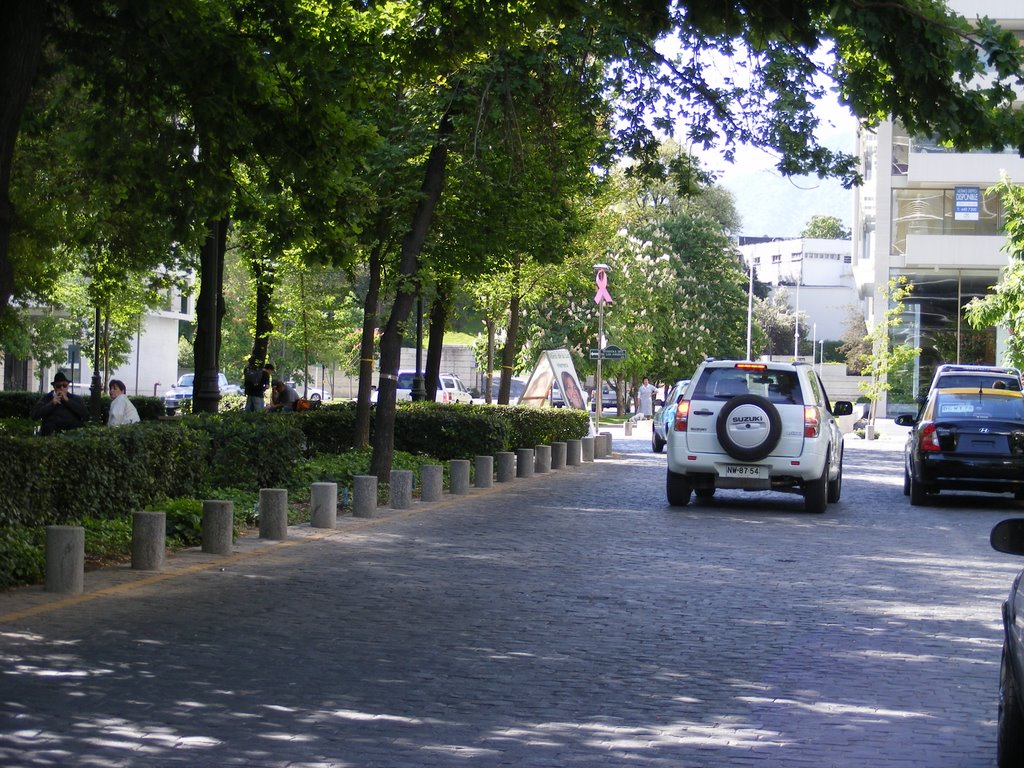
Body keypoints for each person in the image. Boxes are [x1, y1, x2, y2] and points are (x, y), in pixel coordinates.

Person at [31, 371, 88, 436]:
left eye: (64, 385)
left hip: (72, 436)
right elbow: (35, 415)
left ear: (67, 386)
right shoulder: (47, 398)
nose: (62, 388)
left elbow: (84, 414)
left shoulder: (75, 398)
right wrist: (52, 404)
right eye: (58, 386)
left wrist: (68, 401)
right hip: (51, 436)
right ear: (54, 387)